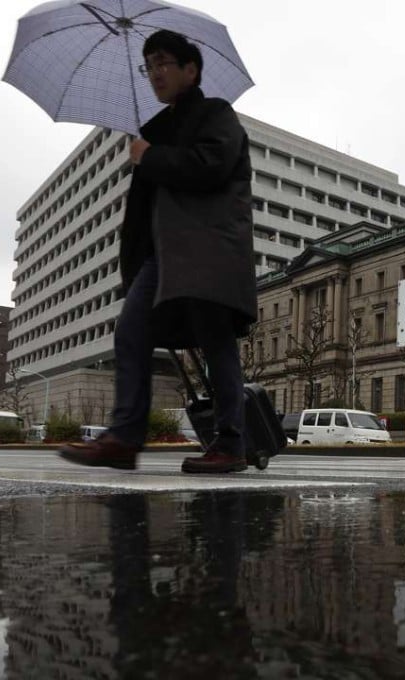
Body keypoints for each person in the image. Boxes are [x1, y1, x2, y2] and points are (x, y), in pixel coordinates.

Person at [60, 30, 256, 474]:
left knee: (215, 341)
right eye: (149, 65)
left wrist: (151, 157)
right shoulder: (153, 130)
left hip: (208, 249)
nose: (155, 73)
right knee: (130, 333)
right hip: (162, 256)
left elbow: (212, 167)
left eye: (164, 62)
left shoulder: (215, 114)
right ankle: (124, 438)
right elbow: (142, 210)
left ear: (191, 69)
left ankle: (231, 442)